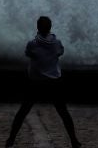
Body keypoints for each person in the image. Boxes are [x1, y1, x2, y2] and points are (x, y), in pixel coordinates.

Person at [6, 16, 82, 148]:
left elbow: (29, 54)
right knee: (64, 113)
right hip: (54, 83)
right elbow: (59, 53)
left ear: (38, 27)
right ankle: (74, 140)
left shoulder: (32, 44)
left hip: (36, 83)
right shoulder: (57, 43)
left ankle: (11, 140)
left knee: (22, 112)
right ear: (50, 28)